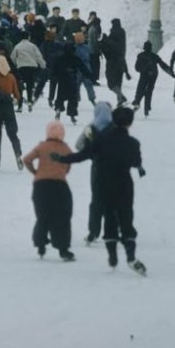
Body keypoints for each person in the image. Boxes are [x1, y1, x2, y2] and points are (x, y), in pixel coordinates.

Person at [52, 107, 147, 275]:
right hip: (124, 185)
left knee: (109, 218)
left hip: (103, 184)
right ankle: (131, 256)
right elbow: (135, 161)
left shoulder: (100, 140)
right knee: (126, 219)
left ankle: (112, 257)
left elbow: (82, 155)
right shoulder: (134, 143)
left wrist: (61, 159)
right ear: (130, 123)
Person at [23, 121, 75, 261]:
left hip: (41, 186)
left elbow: (27, 159)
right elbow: (69, 164)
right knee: (63, 217)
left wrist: (36, 172)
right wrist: (61, 171)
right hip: (60, 186)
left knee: (43, 215)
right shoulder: (65, 148)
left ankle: (40, 245)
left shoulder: (42, 146)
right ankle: (63, 249)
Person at [75, 102, 113, 245]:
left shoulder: (91, 128)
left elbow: (78, 145)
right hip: (116, 170)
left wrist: (91, 153)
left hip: (97, 169)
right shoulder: (115, 127)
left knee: (96, 201)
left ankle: (93, 232)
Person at [0, 56, 24, 170]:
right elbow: (17, 94)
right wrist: (17, 100)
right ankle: (17, 154)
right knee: (13, 134)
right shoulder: (11, 77)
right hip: (9, 108)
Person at [132, 41, 174, 117]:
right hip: (153, 75)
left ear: (144, 48)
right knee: (149, 90)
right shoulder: (154, 56)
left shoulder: (140, 56)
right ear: (151, 48)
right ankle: (147, 107)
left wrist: (142, 70)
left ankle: (137, 102)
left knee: (140, 88)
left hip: (144, 75)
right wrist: (171, 72)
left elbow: (136, 67)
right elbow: (162, 65)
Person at [52, 42, 91, 124]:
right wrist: (90, 76)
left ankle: (58, 110)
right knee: (73, 99)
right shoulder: (75, 58)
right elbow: (83, 68)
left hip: (62, 80)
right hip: (72, 80)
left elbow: (54, 69)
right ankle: (72, 115)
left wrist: (54, 77)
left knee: (60, 97)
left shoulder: (60, 58)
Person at [11, 32, 46, 112]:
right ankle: (30, 101)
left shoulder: (17, 46)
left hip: (21, 68)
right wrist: (43, 65)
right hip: (32, 68)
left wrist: (13, 66)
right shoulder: (33, 46)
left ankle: (20, 106)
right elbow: (38, 56)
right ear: (28, 37)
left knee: (20, 87)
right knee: (30, 86)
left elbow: (13, 58)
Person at [100, 19, 128, 106]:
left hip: (113, 62)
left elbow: (110, 45)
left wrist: (104, 39)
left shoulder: (113, 32)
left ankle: (121, 96)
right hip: (121, 60)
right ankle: (119, 100)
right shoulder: (122, 32)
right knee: (118, 82)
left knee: (111, 83)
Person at [73, 32, 97, 108]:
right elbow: (91, 57)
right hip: (86, 69)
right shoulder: (87, 48)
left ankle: (77, 99)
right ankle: (92, 99)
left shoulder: (74, 48)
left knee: (76, 85)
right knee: (88, 85)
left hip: (78, 70)